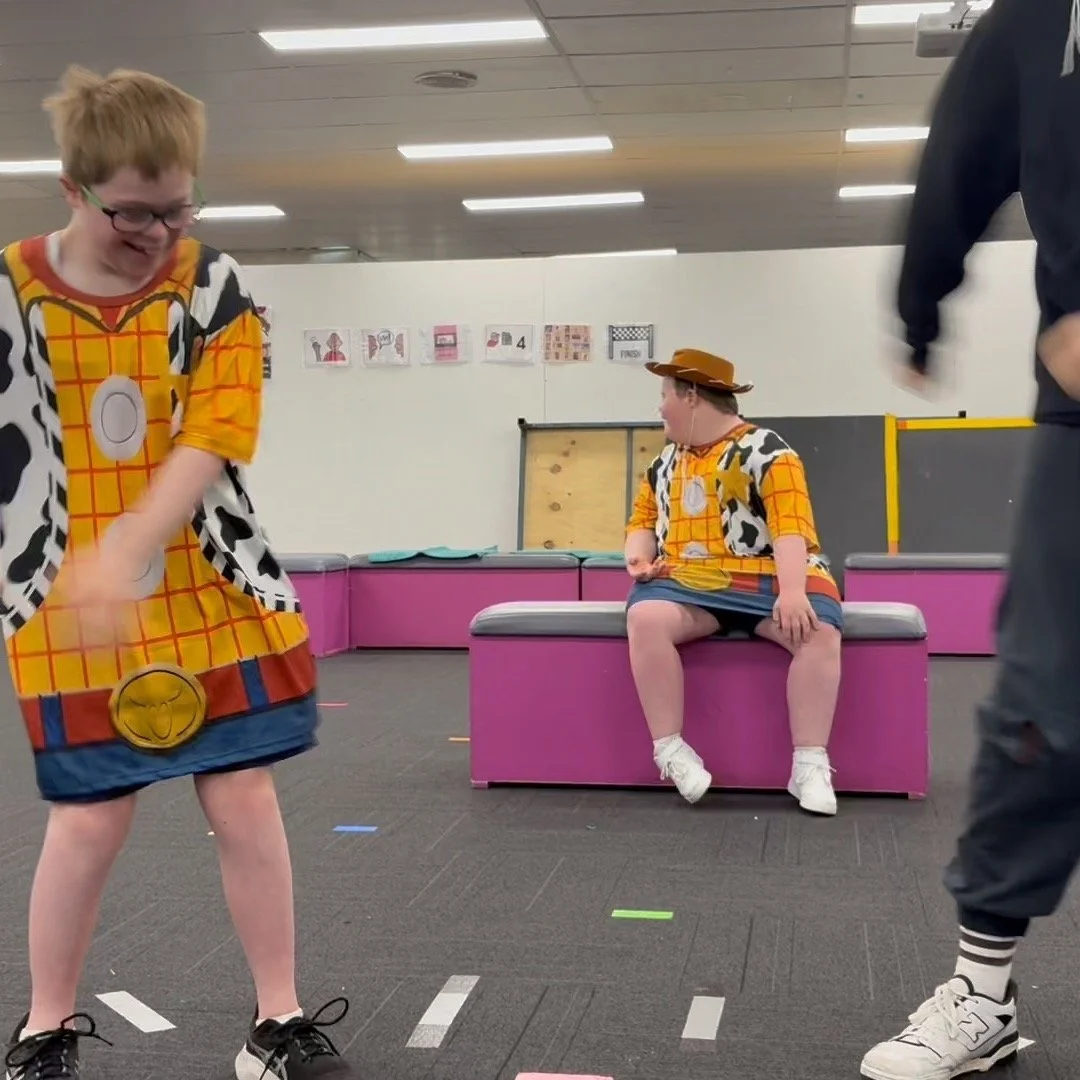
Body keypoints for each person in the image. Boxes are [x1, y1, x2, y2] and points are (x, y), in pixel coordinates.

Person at [0, 67, 356, 1079]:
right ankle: (43, 1031)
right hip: (69, 599)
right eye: (132, 213)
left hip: (206, 581)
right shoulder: (11, 292)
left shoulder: (213, 283)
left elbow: (217, 431)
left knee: (243, 794)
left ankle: (276, 1023)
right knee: (91, 817)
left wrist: (131, 544)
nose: (157, 233)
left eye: (178, 210)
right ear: (72, 190)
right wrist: (81, 565)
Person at [860, 1, 1080, 1076]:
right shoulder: (1041, 19)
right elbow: (959, 159)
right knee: (1041, 707)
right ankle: (983, 992)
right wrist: (921, 307)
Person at [624, 348, 844, 816]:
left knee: (818, 632)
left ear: (691, 396)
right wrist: (639, 559)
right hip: (689, 580)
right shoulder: (663, 462)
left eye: (665, 396)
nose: (660, 407)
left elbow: (790, 528)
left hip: (765, 573)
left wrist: (792, 591)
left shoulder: (769, 451)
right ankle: (670, 750)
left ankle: (809, 763)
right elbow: (642, 520)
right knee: (645, 617)